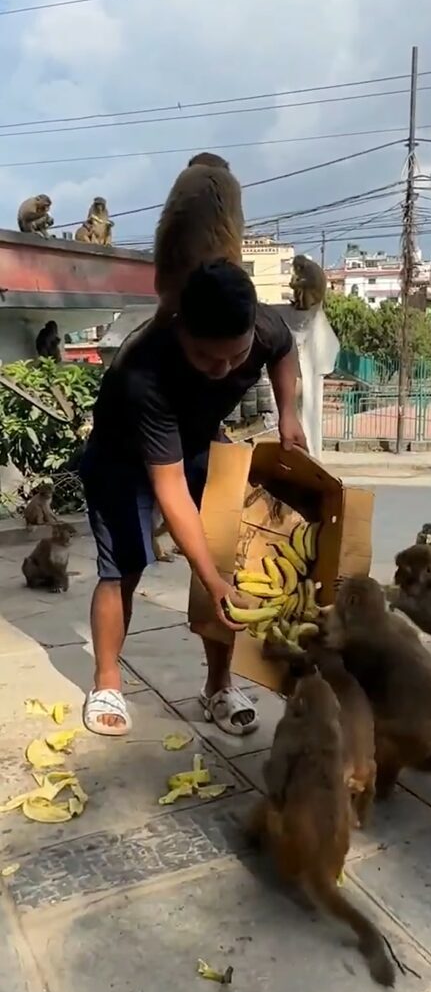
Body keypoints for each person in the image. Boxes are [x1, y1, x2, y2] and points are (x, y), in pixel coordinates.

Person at [80, 260, 306, 738]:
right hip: (121, 455)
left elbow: (284, 350)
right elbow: (170, 488)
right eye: (207, 359)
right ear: (182, 328)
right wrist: (207, 577)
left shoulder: (260, 325)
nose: (223, 371)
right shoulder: (146, 371)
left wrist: (290, 413)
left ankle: (218, 686)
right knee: (124, 565)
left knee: (225, 558)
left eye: (236, 357)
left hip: (200, 441)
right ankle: (107, 681)